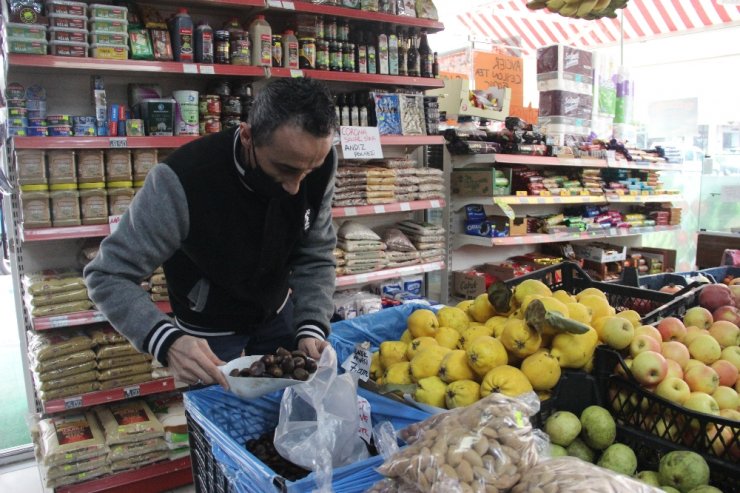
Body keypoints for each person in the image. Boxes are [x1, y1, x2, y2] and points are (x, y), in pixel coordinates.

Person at [84, 78, 338, 389]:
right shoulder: (181, 180)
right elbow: (107, 275)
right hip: (207, 327)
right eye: (284, 169)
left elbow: (316, 254)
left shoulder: (317, 162)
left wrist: (311, 324)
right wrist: (165, 340)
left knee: (287, 415)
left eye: (308, 171)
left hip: (278, 310)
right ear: (247, 136)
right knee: (215, 418)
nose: (295, 187)